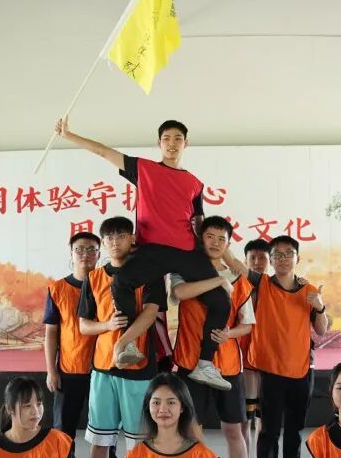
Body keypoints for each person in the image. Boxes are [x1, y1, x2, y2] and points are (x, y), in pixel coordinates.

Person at [56, 117, 231, 391]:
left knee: (221, 299)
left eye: (178, 138)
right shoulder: (144, 168)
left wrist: (220, 257)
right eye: (167, 138)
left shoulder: (195, 183)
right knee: (121, 283)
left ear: (186, 143)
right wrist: (69, 135)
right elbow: (103, 151)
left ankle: (205, 363)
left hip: (186, 249)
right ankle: (127, 344)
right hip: (152, 249)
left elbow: (199, 222)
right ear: (159, 143)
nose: (172, 144)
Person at [225, 236, 329, 458]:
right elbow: (233, 262)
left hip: (301, 370)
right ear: (270, 261)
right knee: (269, 431)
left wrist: (320, 306)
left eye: (288, 254)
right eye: (278, 255)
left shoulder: (309, 290)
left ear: (298, 258)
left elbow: (321, 330)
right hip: (271, 371)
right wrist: (215, 240)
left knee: (295, 428)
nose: (283, 259)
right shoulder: (262, 284)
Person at [171, 216, 262, 458]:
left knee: (234, 429)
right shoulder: (185, 271)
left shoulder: (239, 280)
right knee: (191, 430)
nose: (214, 242)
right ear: (200, 238)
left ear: (228, 244)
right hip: (190, 363)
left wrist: (229, 334)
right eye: (209, 236)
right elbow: (179, 294)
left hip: (228, 367)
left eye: (221, 239)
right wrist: (218, 280)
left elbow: (247, 324)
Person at [77, 216, 167, 458]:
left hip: (139, 368)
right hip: (103, 369)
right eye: (109, 238)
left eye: (121, 236)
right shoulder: (94, 278)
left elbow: (151, 314)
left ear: (132, 239)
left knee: (139, 440)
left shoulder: (150, 275)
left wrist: (123, 342)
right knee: (100, 438)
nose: (115, 242)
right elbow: (84, 325)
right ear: (103, 243)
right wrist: (107, 327)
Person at [44, 233, 123, 458]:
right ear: (71, 253)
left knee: (106, 430)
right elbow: (51, 333)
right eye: (80, 249)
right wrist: (51, 370)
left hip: (104, 368)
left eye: (91, 249)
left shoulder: (109, 284)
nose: (86, 254)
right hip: (69, 370)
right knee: (63, 430)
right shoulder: (57, 288)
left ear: (99, 253)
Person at [239, 239, 270, 458]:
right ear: (246, 261)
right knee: (244, 419)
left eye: (262, 258)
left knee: (264, 420)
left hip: (269, 363)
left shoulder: (275, 288)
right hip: (244, 362)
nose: (258, 263)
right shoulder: (238, 285)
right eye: (253, 258)